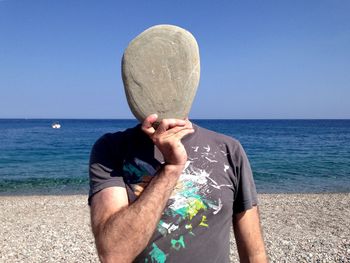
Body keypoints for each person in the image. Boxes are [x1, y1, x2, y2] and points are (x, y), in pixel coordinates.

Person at [88, 113, 267, 262]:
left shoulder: (229, 149)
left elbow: (254, 254)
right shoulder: (111, 148)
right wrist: (172, 168)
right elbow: (114, 254)